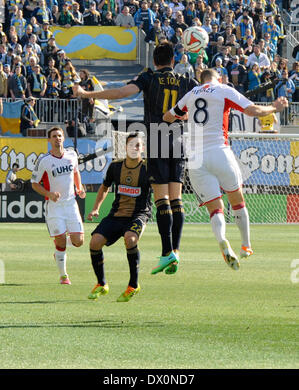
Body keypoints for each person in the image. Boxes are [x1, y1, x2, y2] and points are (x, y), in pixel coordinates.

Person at [73, 41, 199, 275]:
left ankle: (166, 252)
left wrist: (86, 93)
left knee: (162, 199)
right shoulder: (186, 81)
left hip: (158, 139)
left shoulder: (148, 78)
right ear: (173, 60)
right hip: (180, 141)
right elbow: (202, 101)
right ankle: (177, 251)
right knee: (176, 198)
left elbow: (121, 93)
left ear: (154, 61)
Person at [163, 68, 288, 270]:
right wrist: (274, 108)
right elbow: (252, 111)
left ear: (200, 80)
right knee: (237, 200)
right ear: (219, 78)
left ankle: (222, 239)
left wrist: (187, 117)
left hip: (195, 159)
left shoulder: (191, 94)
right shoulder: (223, 90)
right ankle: (246, 245)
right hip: (220, 151)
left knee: (215, 208)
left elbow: (168, 116)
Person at [87, 133, 151, 302]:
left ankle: (133, 285)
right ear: (125, 148)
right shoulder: (115, 167)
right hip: (116, 215)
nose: (135, 148)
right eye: (131, 145)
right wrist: (95, 209)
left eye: (138, 145)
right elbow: (104, 188)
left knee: (130, 239)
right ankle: (101, 284)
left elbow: (161, 188)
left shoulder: (147, 169)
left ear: (142, 148)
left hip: (139, 214)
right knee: (94, 242)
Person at [31, 126, 86, 285]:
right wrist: (49, 194)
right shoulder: (44, 161)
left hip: (70, 204)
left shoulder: (72, 155)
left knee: (79, 241)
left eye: (59, 135)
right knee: (61, 240)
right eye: (54, 136)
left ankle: (58, 249)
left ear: (63, 138)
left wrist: (79, 187)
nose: (57, 138)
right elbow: (34, 183)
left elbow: (76, 172)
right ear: (49, 140)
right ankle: (63, 276)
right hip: (54, 207)